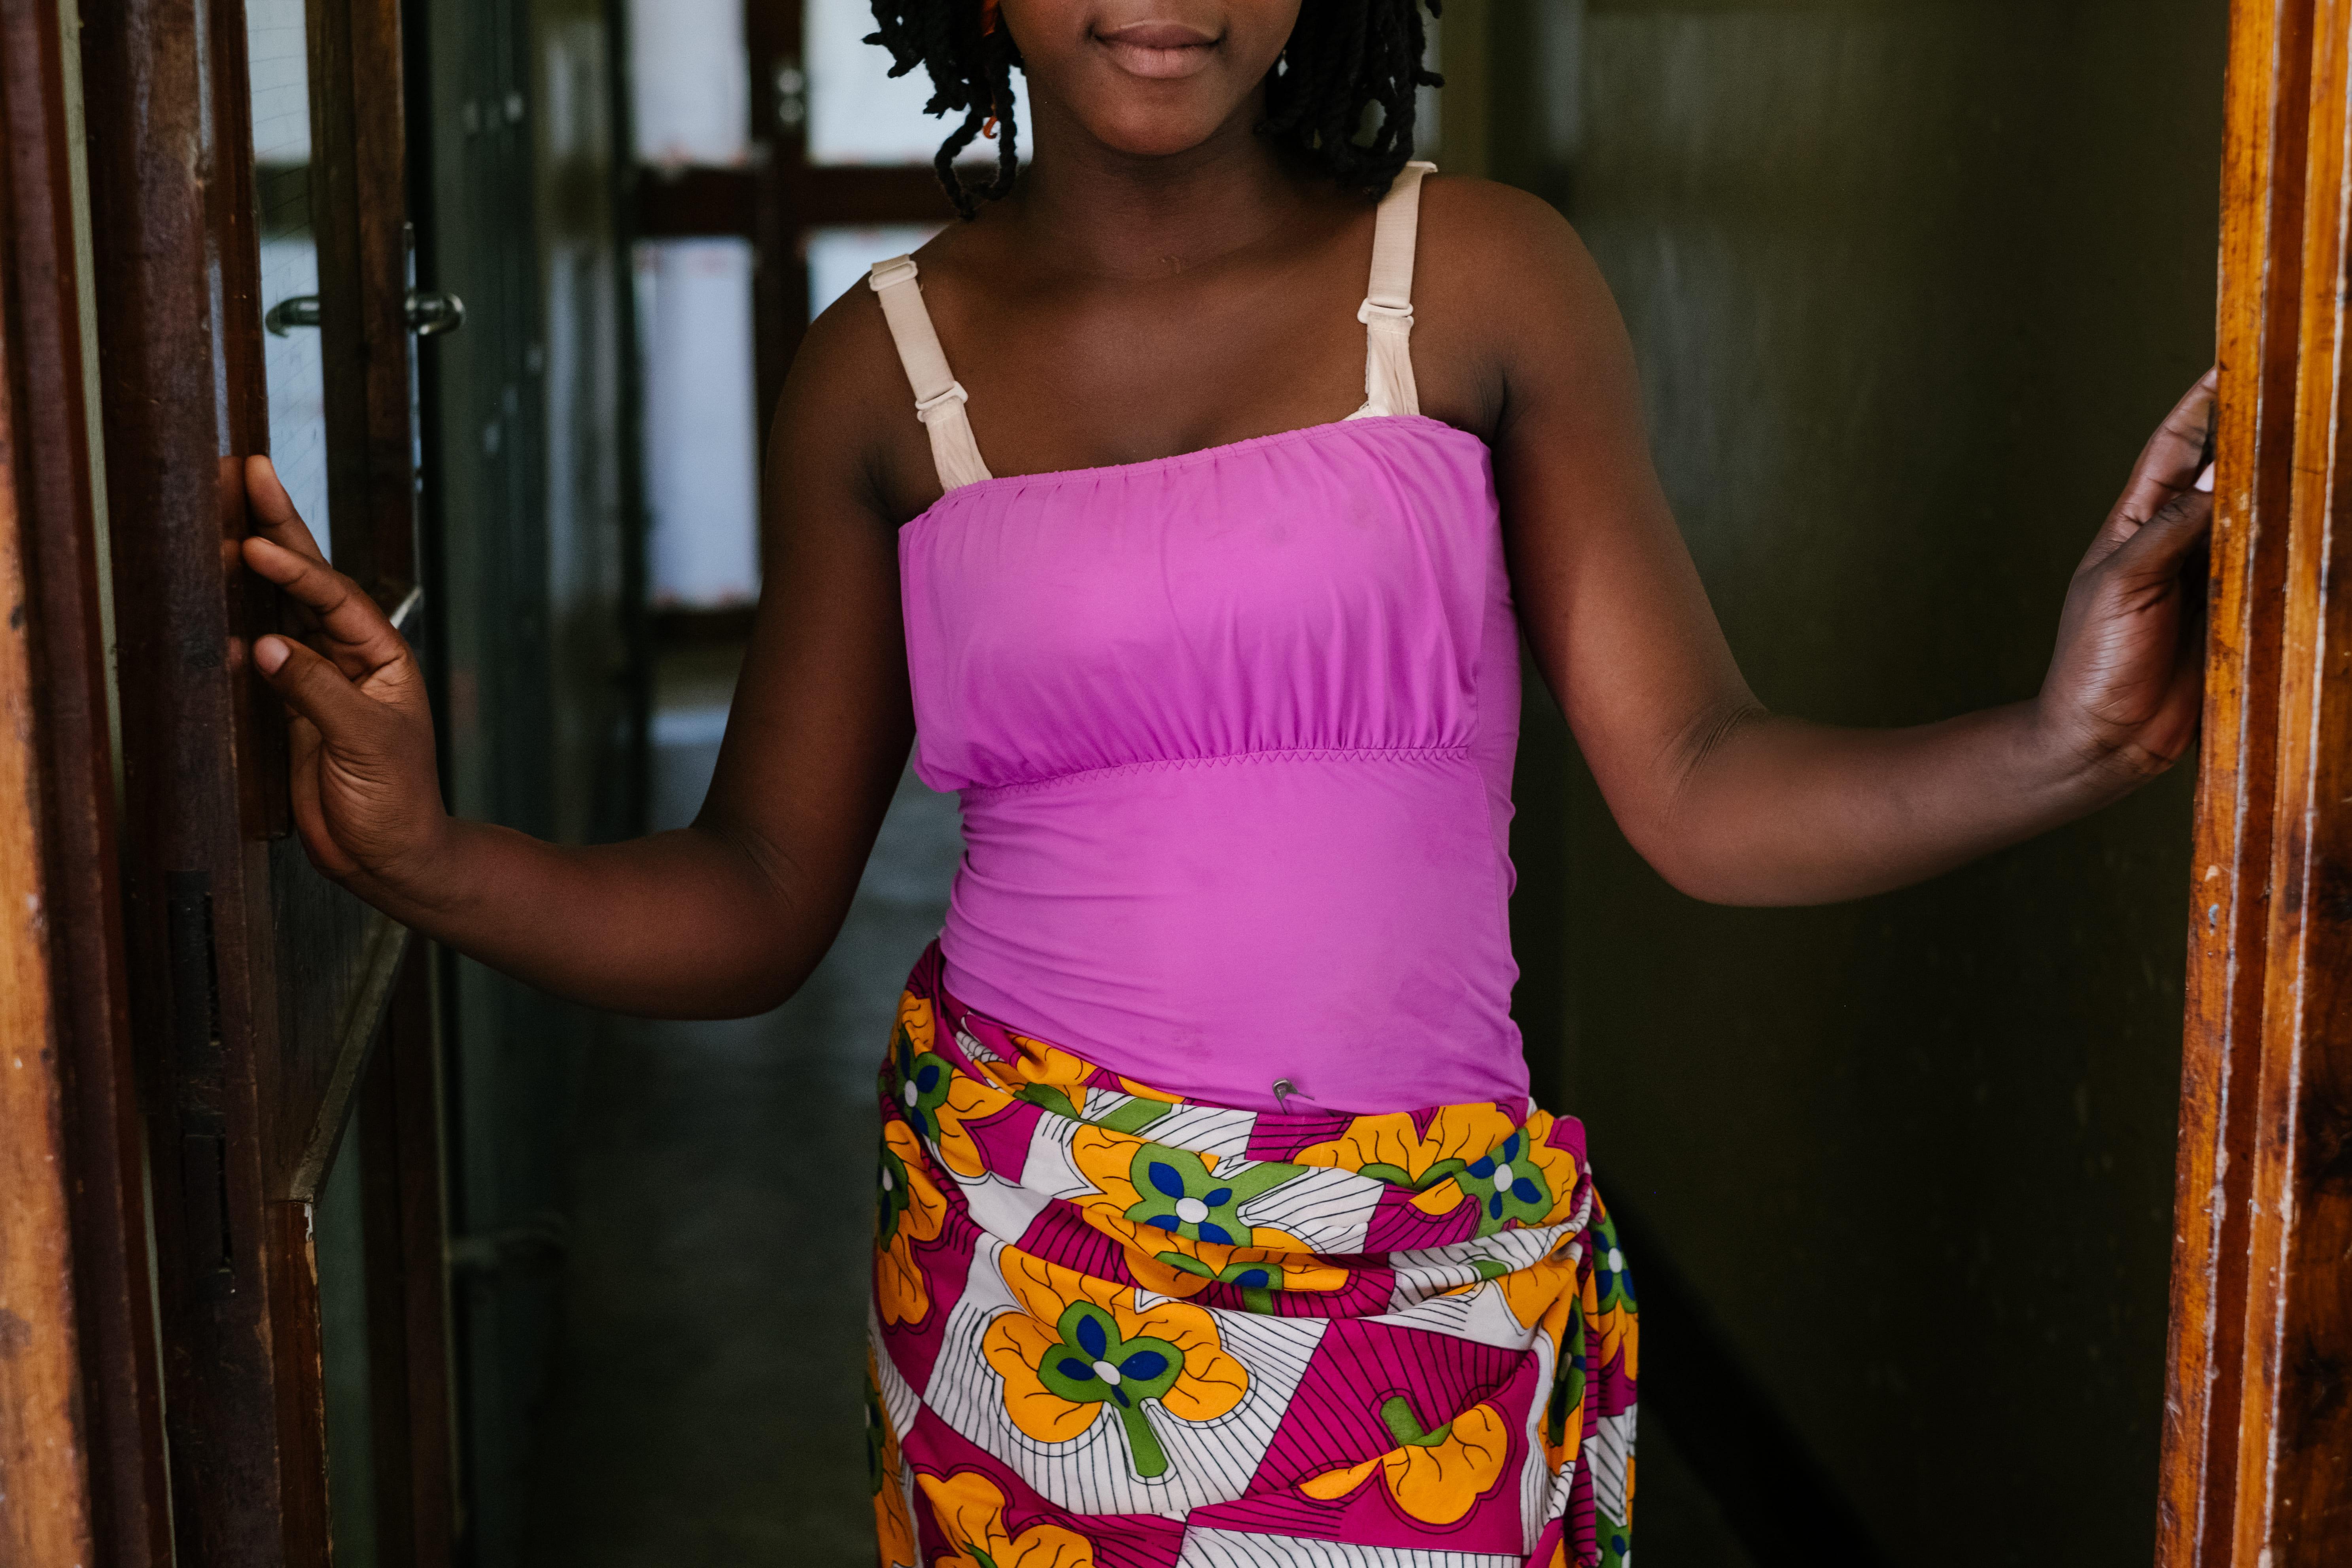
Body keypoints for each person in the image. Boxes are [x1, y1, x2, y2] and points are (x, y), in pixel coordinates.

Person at [235, 0, 2216, 1561]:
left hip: (1412, 1289)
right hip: (1039, 1287)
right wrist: (434, 854)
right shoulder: (879, 368)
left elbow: (1695, 782)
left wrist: (2061, 739)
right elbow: (756, 897)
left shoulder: (1481, 281)